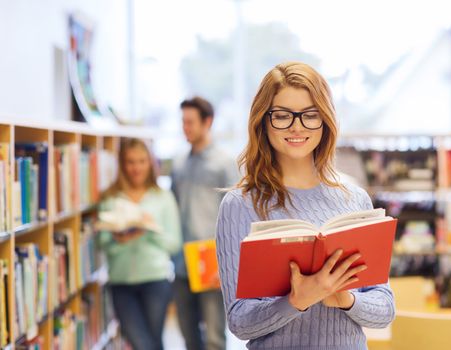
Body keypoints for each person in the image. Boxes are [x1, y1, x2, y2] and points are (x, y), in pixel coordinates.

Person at [216, 62, 395, 349]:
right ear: (263, 120)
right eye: (283, 115)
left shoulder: (355, 198)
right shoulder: (239, 204)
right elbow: (239, 321)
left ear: (325, 120)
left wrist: (345, 299)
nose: (297, 126)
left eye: (310, 115)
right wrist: (297, 300)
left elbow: (385, 309)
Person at [98, 138, 182, 350]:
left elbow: (174, 243)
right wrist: (120, 240)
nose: (136, 168)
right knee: (142, 343)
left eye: (142, 161)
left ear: (150, 163)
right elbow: (102, 242)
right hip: (121, 283)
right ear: (122, 164)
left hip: (155, 280)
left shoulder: (163, 197)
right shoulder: (110, 197)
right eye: (131, 162)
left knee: (152, 342)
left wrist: (149, 229)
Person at [171, 97, 237, 350]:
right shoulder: (179, 164)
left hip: (211, 263)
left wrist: (229, 264)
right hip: (180, 264)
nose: (185, 128)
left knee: (213, 339)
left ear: (207, 122)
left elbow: (235, 216)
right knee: (188, 337)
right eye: (183, 122)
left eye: (190, 122)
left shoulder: (224, 163)